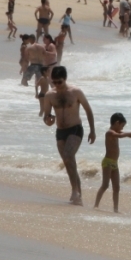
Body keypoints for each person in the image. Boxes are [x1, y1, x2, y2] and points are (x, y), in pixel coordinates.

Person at [39, 65, 96, 205]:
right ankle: (78, 195)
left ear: (65, 79)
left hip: (75, 129)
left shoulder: (75, 92)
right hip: (60, 131)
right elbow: (47, 117)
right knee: (68, 161)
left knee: (69, 156)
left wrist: (92, 130)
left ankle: (74, 191)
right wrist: (49, 120)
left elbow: (88, 110)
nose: (57, 85)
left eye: (60, 82)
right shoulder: (50, 95)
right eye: (54, 82)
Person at [93, 112, 131, 212]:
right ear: (117, 123)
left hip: (114, 163)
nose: (122, 129)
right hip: (107, 162)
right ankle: (96, 205)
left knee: (117, 187)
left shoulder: (117, 132)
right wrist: (130, 134)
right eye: (122, 126)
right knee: (105, 185)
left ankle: (115, 209)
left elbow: (124, 134)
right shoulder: (110, 133)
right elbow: (120, 135)